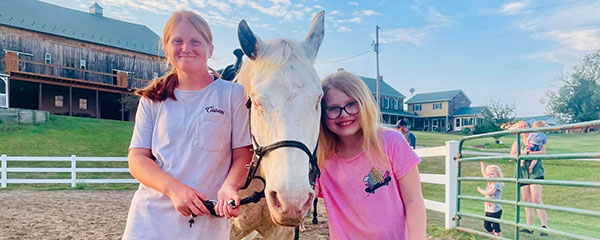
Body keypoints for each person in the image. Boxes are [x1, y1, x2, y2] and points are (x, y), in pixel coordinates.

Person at [123, 10, 252, 239]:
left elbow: (243, 155)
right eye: (178, 41)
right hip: (149, 221)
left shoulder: (233, 95)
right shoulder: (153, 98)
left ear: (210, 49)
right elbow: (137, 159)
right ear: (166, 49)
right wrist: (174, 189)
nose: (186, 48)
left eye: (195, 41)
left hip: (207, 221)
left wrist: (229, 187)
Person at [315, 70, 426, 240]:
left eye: (351, 104)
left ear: (365, 103)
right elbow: (299, 201)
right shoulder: (321, 161)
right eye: (333, 109)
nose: (344, 113)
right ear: (322, 115)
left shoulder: (391, 142)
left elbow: (413, 201)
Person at [510, 120, 548, 236]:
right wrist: (522, 153)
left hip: (535, 171)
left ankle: (544, 227)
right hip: (522, 172)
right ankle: (529, 227)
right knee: (527, 200)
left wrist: (527, 154)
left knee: (536, 198)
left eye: (525, 126)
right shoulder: (517, 142)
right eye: (520, 126)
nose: (523, 128)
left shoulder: (536, 138)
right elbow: (511, 157)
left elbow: (543, 153)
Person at [477, 161, 503, 237]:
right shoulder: (489, 182)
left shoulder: (497, 184)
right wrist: (482, 164)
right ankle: (494, 237)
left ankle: (498, 237)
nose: (489, 176)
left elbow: (489, 193)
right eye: (488, 174)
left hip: (496, 210)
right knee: (487, 226)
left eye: (492, 174)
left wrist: (480, 190)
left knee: (496, 227)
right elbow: (484, 173)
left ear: (497, 175)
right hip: (488, 209)